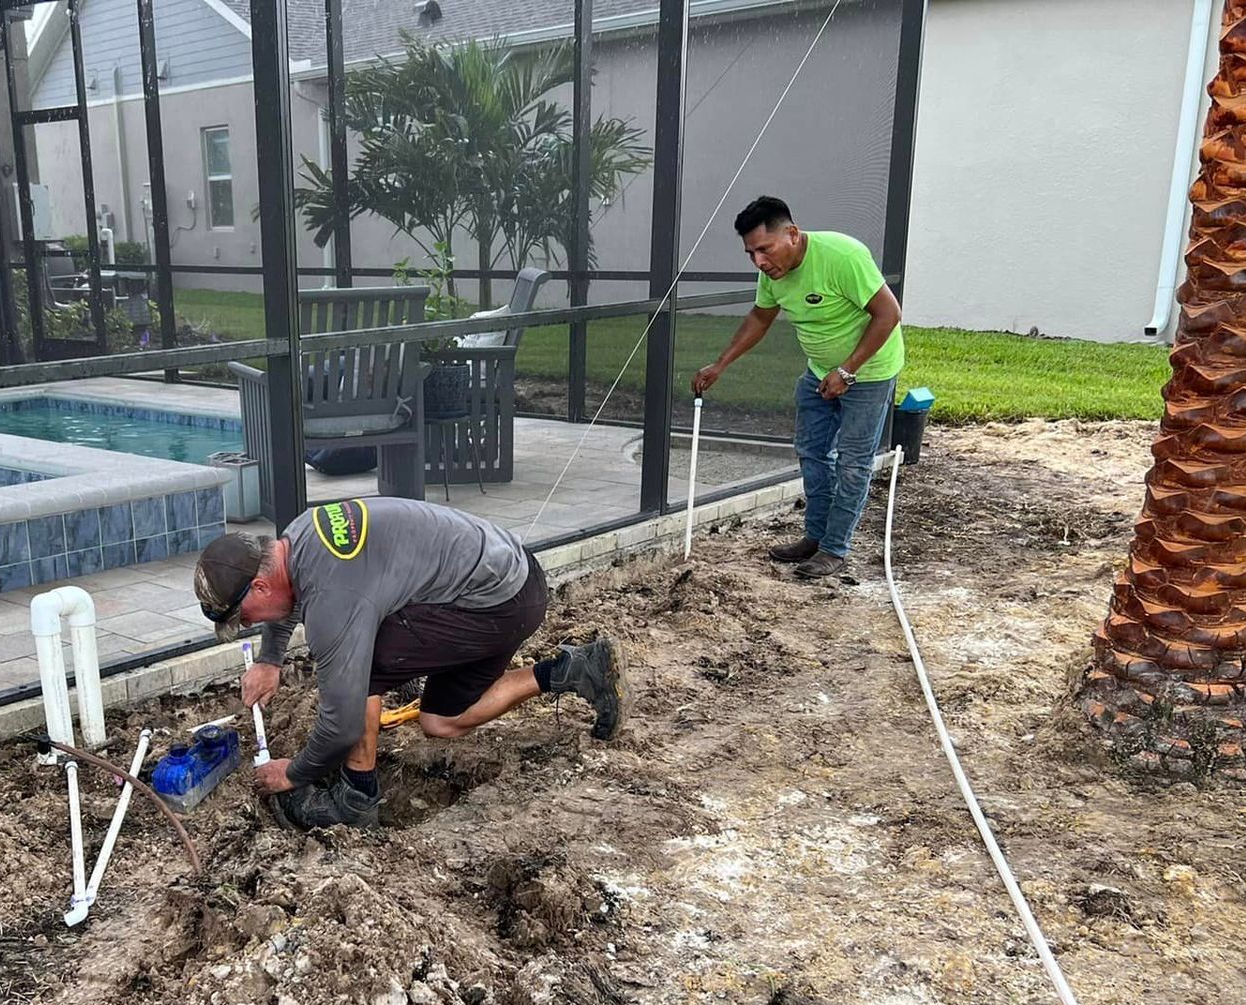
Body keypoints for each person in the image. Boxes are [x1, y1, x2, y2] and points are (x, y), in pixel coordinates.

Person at [193, 498, 623, 829]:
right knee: (442, 719)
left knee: (361, 662)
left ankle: (356, 799)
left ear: (261, 585)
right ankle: (573, 671)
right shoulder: (297, 536)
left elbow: (342, 723)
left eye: (244, 617)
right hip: (511, 580)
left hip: (496, 602)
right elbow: (289, 597)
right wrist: (270, 658)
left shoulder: (334, 597)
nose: (249, 624)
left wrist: (295, 772)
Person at [693, 196, 904, 580]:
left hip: (868, 373)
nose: (758, 261)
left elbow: (889, 313)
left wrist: (847, 371)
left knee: (853, 463)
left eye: (764, 249)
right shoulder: (772, 273)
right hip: (819, 372)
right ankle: (816, 535)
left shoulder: (843, 256)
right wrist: (721, 363)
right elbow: (760, 317)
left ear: (792, 233)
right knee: (811, 451)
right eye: (750, 253)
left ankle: (834, 548)